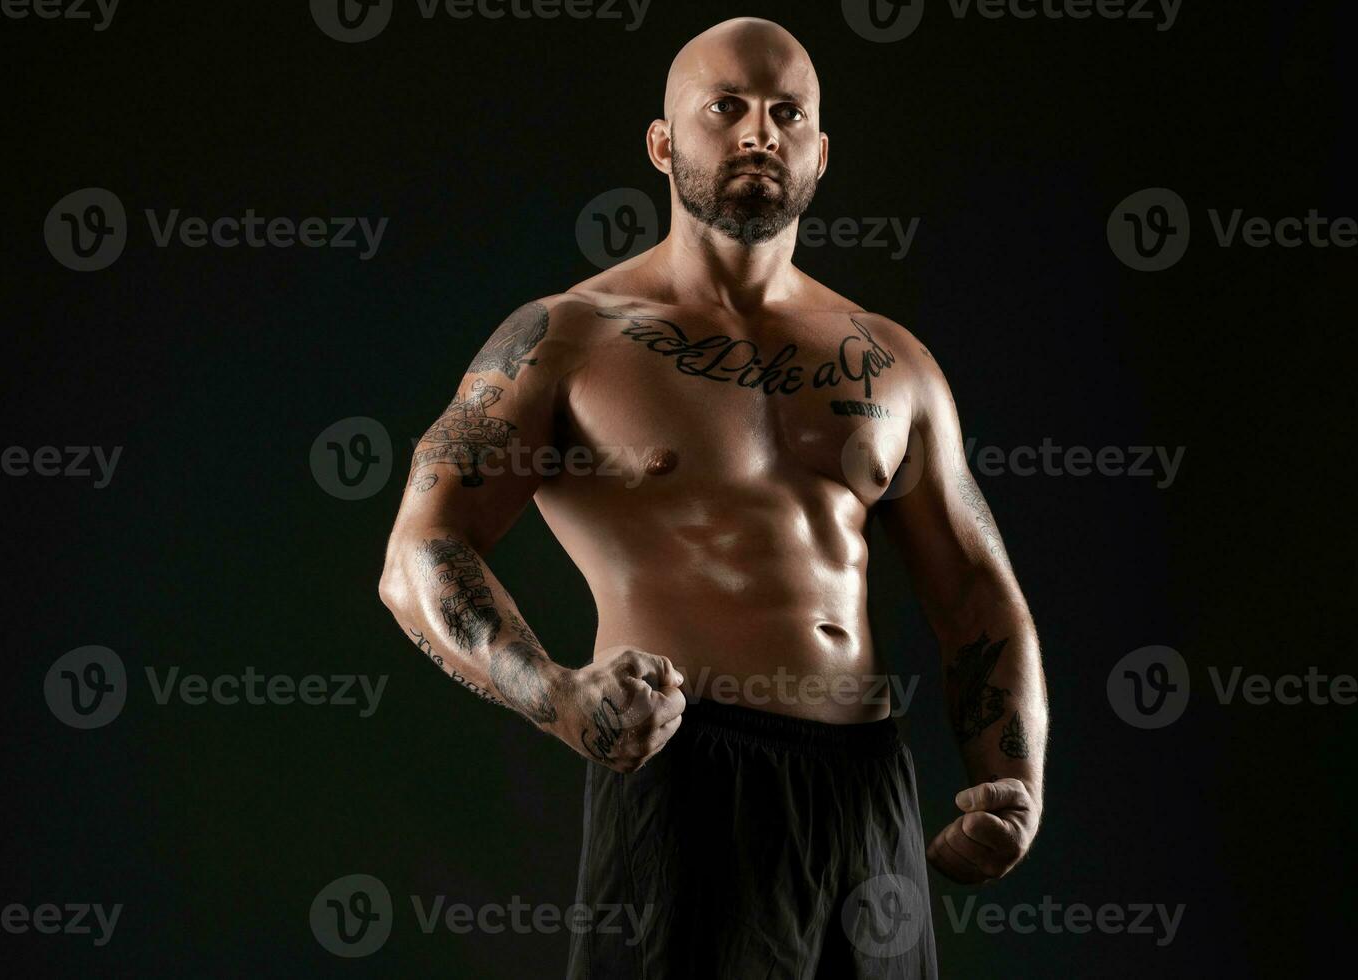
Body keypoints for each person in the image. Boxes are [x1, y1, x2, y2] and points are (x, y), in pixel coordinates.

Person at [378, 16, 1047, 978]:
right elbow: (419, 553)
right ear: (662, 142)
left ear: (820, 152)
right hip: (689, 779)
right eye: (725, 106)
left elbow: (981, 597)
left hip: (868, 796)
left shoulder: (894, 361)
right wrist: (558, 697)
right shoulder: (567, 339)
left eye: (787, 114)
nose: (758, 132)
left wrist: (1011, 786)